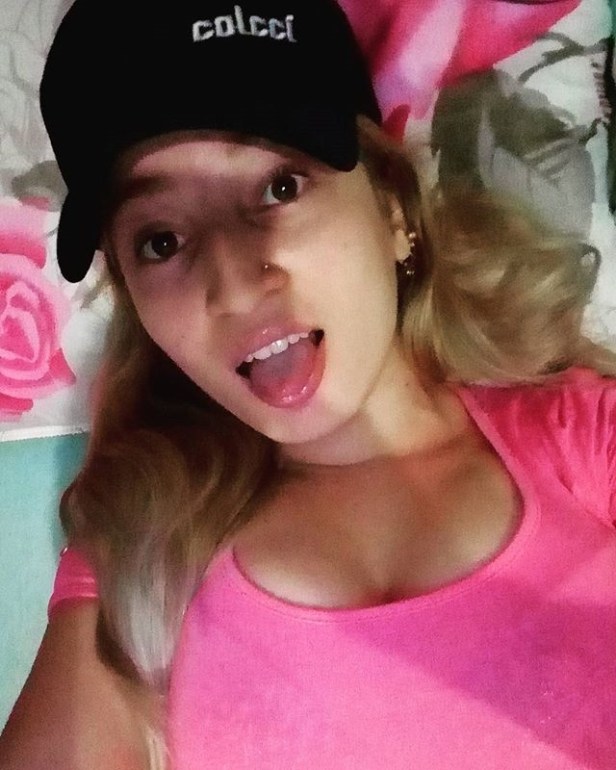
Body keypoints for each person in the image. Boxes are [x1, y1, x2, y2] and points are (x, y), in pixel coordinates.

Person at [2, 0, 616, 768]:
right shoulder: (141, 544)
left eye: (280, 187)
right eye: (162, 240)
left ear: (393, 209)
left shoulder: (585, 440)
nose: (235, 285)